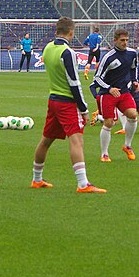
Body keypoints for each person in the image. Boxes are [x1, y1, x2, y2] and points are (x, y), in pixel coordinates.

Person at [30, 17, 106, 193]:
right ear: (71, 32)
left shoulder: (48, 48)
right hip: (66, 102)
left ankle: (36, 179)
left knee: (46, 139)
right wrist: (84, 108)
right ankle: (83, 184)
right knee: (77, 140)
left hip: (53, 99)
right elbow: (74, 83)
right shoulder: (68, 53)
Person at [92, 29, 139, 162]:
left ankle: (127, 146)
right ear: (115, 40)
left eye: (126, 40)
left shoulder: (132, 54)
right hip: (107, 94)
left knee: (133, 115)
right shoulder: (108, 57)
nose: (125, 43)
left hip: (124, 92)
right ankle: (104, 154)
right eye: (122, 40)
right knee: (109, 123)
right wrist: (109, 88)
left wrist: (135, 81)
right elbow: (97, 78)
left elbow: (133, 68)